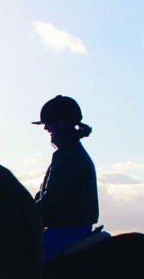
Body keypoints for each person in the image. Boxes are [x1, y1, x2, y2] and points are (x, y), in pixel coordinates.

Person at [32, 95, 99, 263]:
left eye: (50, 122)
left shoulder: (68, 156)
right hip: (68, 228)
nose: (46, 127)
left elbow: (52, 201)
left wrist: (24, 216)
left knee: (22, 262)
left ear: (64, 123)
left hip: (67, 231)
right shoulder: (67, 153)